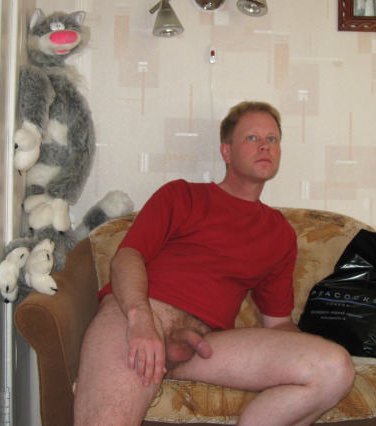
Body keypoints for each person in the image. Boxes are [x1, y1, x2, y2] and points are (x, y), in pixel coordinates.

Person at [74, 101, 355, 425]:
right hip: (138, 318)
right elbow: (128, 256)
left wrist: (326, 338)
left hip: (204, 346)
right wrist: (141, 319)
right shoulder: (182, 195)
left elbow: (277, 324)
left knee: (334, 369)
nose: (265, 146)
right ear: (226, 151)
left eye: (272, 139)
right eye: (252, 138)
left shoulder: (280, 233)